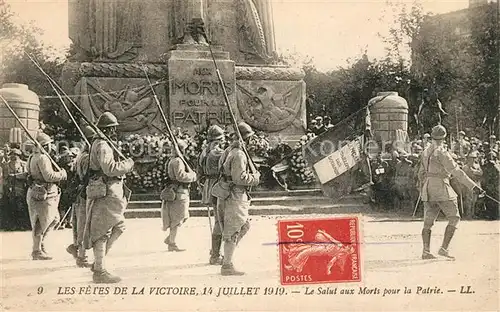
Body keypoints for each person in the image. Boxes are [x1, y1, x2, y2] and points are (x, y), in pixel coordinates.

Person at [418, 125, 482, 260]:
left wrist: (424, 185)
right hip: (442, 188)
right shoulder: (442, 152)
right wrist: (473, 186)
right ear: (444, 138)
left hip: (428, 188)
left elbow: (421, 172)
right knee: (455, 217)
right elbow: (457, 172)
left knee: (428, 222)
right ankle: (444, 248)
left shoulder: (425, 151)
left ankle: (426, 251)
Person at [84, 112, 134, 283]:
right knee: (102, 232)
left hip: (108, 191)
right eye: (113, 129)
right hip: (106, 191)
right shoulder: (103, 145)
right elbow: (109, 168)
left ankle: (99, 263)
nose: (114, 132)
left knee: (119, 226)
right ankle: (100, 270)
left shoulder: (100, 143)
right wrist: (127, 164)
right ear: (109, 129)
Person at [213, 122, 260, 275]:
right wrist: (255, 178)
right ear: (245, 138)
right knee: (234, 229)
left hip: (226, 193)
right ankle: (227, 264)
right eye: (250, 138)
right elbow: (239, 178)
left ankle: (227, 256)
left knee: (243, 226)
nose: (252, 141)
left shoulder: (228, 150)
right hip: (235, 195)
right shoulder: (239, 154)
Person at [26, 133, 67, 260]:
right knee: (40, 222)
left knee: (54, 219)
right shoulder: (42, 158)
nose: (51, 146)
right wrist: (61, 174)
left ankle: (41, 244)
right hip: (43, 192)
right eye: (49, 144)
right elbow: (48, 176)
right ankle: (36, 250)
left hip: (38, 191)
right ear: (44, 145)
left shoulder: (32, 157)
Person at [66, 125, 97, 267]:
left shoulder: (81, 156)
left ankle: (78, 250)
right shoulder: (87, 157)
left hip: (79, 192)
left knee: (79, 222)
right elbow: (86, 176)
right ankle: (82, 256)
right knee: (84, 224)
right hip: (84, 193)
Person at [161, 140, 197, 252]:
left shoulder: (174, 160)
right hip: (179, 193)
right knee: (178, 219)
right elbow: (180, 176)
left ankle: (171, 238)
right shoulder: (177, 161)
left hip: (179, 192)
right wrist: (192, 176)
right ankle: (172, 243)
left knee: (183, 216)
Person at [198, 125, 226, 264]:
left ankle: (215, 253)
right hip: (217, 186)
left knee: (217, 220)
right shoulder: (217, 153)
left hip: (209, 186)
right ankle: (215, 255)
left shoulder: (204, 152)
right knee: (219, 221)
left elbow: (199, 173)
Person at [1, 149, 29, 230]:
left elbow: (26, 175)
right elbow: (5, 178)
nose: (13, 157)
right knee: (11, 207)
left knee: (21, 207)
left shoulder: (24, 164)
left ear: (19, 156)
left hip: (21, 189)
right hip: (10, 189)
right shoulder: (6, 165)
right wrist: (6, 188)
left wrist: (15, 176)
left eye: (15, 155)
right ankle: (13, 225)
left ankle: (22, 225)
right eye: (12, 155)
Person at [461, 151, 483, 219]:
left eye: (474, 158)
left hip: (476, 184)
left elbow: (481, 173)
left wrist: (474, 171)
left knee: (474, 200)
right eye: (471, 158)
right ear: (468, 159)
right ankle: (468, 215)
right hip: (468, 185)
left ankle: (472, 214)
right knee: (468, 201)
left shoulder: (477, 166)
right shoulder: (465, 167)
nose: (473, 159)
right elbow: (464, 176)